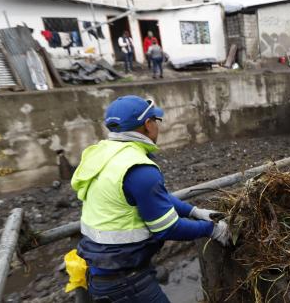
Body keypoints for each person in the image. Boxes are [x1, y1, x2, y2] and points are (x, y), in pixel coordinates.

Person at [71, 96, 231, 302]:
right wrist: (213, 230)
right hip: (126, 281)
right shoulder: (140, 169)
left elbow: (155, 197)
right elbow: (167, 228)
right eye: (156, 120)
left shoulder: (104, 154)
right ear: (148, 124)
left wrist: (194, 211)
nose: (157, 126)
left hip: (102, 271)